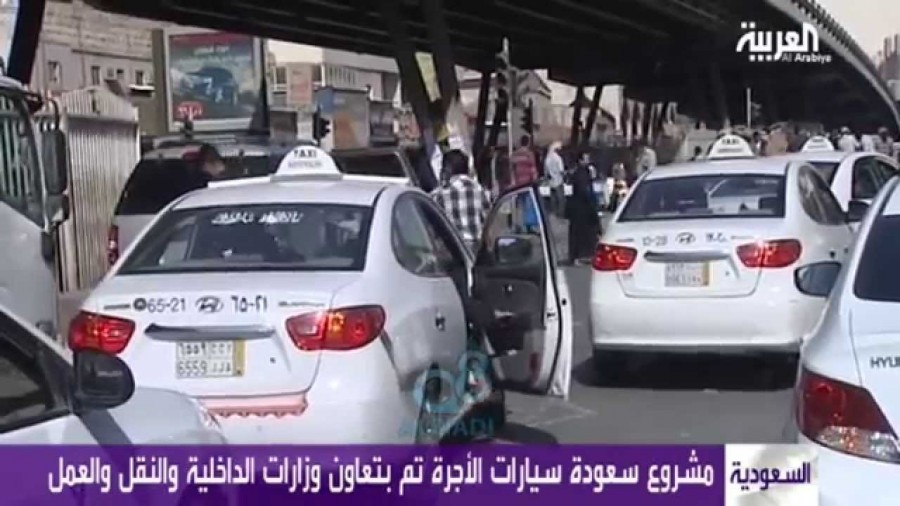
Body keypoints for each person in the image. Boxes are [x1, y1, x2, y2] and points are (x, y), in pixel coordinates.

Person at [430, 150, 492, 254]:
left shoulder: (440, 194)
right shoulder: (480, 190)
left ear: (448, 169)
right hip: (477, 247)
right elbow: (488, 221)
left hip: (453, 248)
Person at [565, 151, 600, 265]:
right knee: (582, 233)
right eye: (585, 158)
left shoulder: (582, 172)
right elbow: (584, 191)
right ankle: (581, 256)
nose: (588, 160)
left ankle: (579, 255)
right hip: (582, 208)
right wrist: (592, 205)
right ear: (580, 161)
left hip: (580, 208)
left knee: (580, 233)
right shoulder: (581, 174)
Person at [544, 141, 566, 217]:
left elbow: (546, 171)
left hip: (551, 182)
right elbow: (561, 170)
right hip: (558, 181)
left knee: (553, 199)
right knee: (561, 199)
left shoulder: (547, 158)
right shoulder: (558, 159)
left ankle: (553, 213)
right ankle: (560, 214)